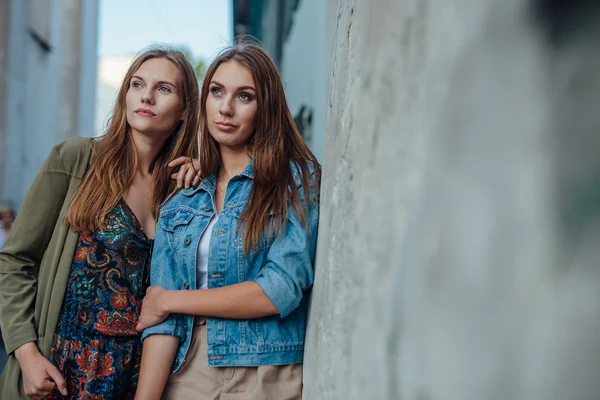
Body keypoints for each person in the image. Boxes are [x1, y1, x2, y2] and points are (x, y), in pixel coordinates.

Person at [0, 46, 201, 399]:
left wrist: (204, 181)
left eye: (164, 89)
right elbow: (15, 260)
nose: (147, 96)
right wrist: (26, 353)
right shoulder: (76, 160)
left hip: (139, 378)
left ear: (185, 110)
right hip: (60, 370)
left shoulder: (182, 190)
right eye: (137, 84)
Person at [134, 41, 321, 400]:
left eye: (244, 96)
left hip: (267, 371)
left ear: (265, 107)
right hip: (189, 370)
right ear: (204, 101)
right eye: (217, 91)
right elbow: (162, 324)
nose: (226, 107)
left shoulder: (294, 181)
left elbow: (279, 289)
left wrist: (171, 299)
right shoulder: (181, 203)